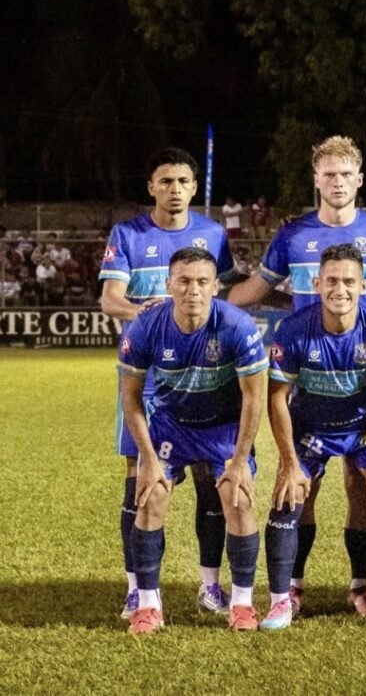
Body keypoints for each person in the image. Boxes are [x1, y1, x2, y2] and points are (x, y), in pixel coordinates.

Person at [228, 135, 366, 618]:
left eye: (345, 175)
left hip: (363, 383)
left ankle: (361, 589)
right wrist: (202, 304)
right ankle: (292, 588)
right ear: (316, 180)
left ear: (359, 179)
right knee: (301, 487)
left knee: (365, 488)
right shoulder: (293, 235)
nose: (337, 182)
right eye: (329, 175)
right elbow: (257, 288)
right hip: (309, 375)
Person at [99, 147, 236, 620]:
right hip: (145, 377)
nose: (174, 189)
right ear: (151, 187)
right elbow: (110, 299)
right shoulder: (128, 234)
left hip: (202, 376)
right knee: (140, 478)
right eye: (165, 181)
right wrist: (149, 313)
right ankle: (136, 588)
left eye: (182, 181)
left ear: (194, 188)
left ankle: (210, 585)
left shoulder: (213, 234)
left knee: (208, 478)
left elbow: (226, 292)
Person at [260, 244, 366, 631]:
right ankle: (285, 596)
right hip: (312, 426)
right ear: (317, 284)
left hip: (365, 427)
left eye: (349, 281)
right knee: (290, 498)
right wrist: (289, 464)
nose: (340, 289)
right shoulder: (294, 330)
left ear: (365, 286)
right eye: (331, 280)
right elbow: (276, 398)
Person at [118, 247, 267, 634]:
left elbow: (254, 398)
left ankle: (242, 604)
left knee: (238, 497)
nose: (193, 290)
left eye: (202, 281)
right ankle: (148, 605)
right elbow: (131, 399)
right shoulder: (145, 327)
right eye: (183, 281)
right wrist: (147, 458)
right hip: (172, 425)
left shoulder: (237, 325)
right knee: (150, 495)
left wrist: (239, 460)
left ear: (216, 287)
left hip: (223, 427)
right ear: (169, 284)